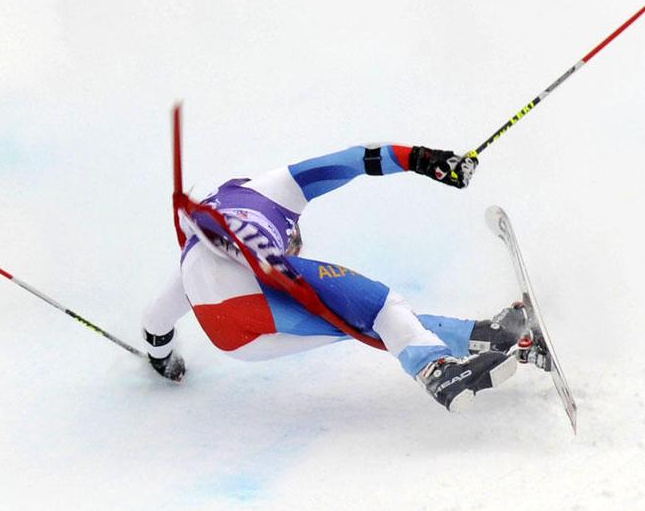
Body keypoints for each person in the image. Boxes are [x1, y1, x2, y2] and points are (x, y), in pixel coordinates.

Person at [140, 144, 532, 411]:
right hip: (250, 289)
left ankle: (481, 336)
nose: (295, 250)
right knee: (379, 304)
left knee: (365, 319)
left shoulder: (191, 257)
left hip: (234, 339)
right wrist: (425, 160)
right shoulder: (270, 191)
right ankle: (438, 372)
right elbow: (353, 160)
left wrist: (164, 363)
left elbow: (155, 324)